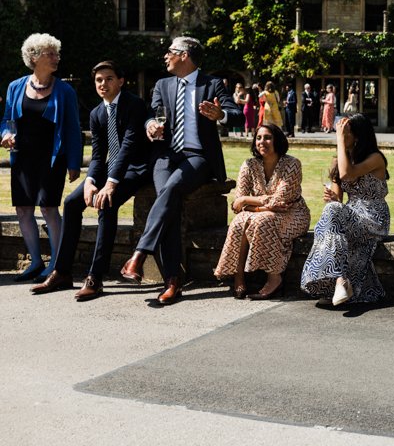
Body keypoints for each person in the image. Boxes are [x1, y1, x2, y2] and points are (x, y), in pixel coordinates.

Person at [118, 37, 242, 305]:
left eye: (170, 52)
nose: (165, 56)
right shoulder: (163, 84)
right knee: (168, 200)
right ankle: (173, 280)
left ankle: (139, 256)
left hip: (198, 157)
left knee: (171, 190)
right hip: (164, 155)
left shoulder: (212, 84)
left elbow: (237, 115)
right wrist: (151, 125)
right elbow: (151, 114)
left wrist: (219, 115)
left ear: (184, 55)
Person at [32, 61, 152, 300]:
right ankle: (62, 271)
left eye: (108, 79)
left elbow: (127, 148)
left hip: (137, 167)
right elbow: (98, 154)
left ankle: (95, 278)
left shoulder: (135, 105)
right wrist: (90, 181)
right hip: (112, 168)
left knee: (105, 202)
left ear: (120, 81)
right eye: (98, 80)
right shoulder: (97, 113)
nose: (103, 84)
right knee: (72, 202)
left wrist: (110, 184)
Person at [1, 33, 82, 282]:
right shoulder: (16, 86)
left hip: (52, 157)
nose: (56, 58)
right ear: (34, 57)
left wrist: (74, 162)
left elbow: (72, 128)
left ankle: (56, 265)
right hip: (22, 158)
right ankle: (35, 262)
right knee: (23, 209)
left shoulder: (65, 90)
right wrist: (5, 134)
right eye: (51, 54)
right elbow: (6, 120)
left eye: (57, 53)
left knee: (48, 207)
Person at [301, 113, 390, 306]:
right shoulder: (339, 160)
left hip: (373, 217)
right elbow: (336, 202)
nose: (339, 135)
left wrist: (339, 142)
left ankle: (336, 282)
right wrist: (332, 199)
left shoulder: (376, 158)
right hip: (351, 214)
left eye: (344, 132)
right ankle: (340, 281)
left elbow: (347, 175)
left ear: (357, 136)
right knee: (332, 211)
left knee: (331, 215)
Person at [214, 124, 310, 299]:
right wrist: (257, 206)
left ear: (277, 140)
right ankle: (239, 276)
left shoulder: (292, 164)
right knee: (239, 221)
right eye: (258, 138)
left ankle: (274, 278)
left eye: (267, 138)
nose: (262, 142)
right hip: (263, 212)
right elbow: (237, 203)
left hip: (293, 213)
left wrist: (247, 202)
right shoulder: (249, 165)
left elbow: (280, 200)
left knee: (260, 221)